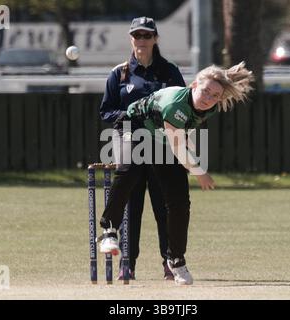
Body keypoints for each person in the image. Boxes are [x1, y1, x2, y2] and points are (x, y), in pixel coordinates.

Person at [98, 62, 254, 285]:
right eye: (205, 91)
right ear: (193, 86)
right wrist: (199, 171)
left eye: (214, 95)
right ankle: (108, 230)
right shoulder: (175, 104)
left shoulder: (209, 107)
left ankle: (176, 259)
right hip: (133, 126)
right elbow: (178, 145)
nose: (208, 98)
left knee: (179, 201)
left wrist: (192, 162)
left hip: (161, 136)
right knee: (129, 171)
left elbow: (182, 133)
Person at [99, 16, 186, 280]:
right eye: (137, 36)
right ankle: (129, 263)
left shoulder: (169, 72)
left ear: (155, 39)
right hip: (130, 143)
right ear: (131, 39)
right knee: (132, 205)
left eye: (147, 36)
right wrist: (129, 115)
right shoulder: (120, 73)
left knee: (163, 206)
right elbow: (106, 112)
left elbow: (181, 106)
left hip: (160, 144)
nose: (142, 41)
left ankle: (169, 261)